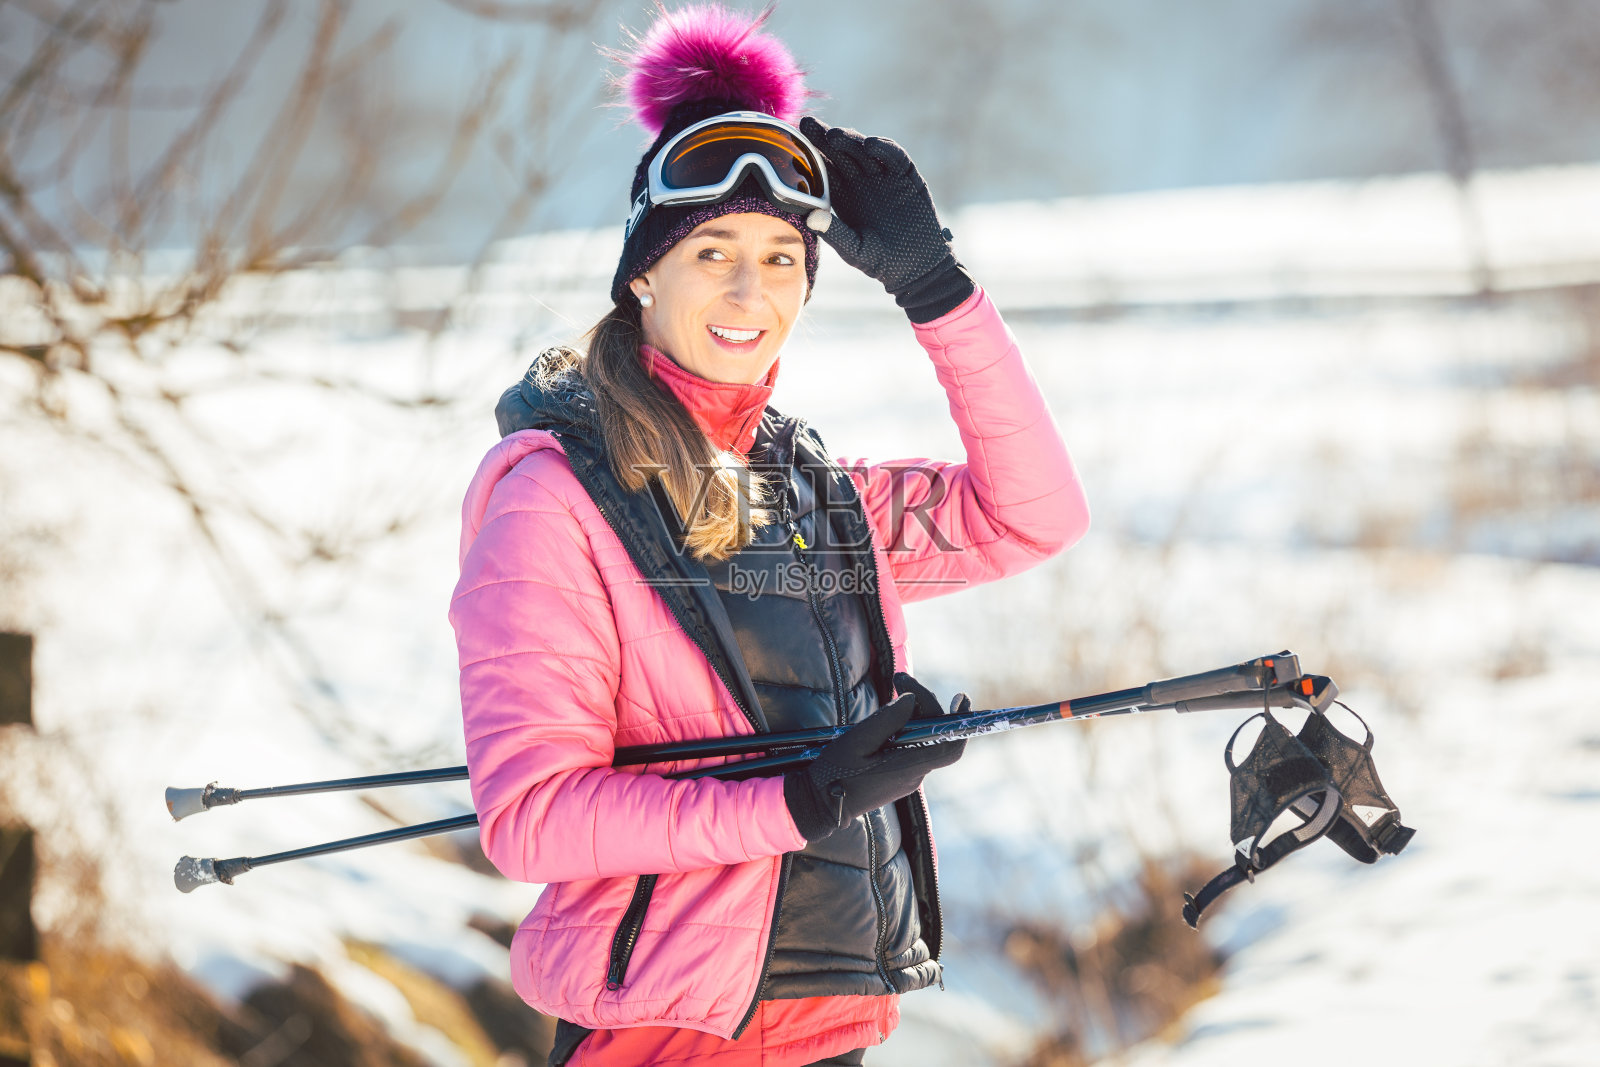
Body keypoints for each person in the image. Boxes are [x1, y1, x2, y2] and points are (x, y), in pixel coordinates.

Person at [448, 6, 1090, 1065]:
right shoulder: (552, 499)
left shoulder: (812, 495)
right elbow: (534, 818)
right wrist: (797, 800)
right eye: (712, 250)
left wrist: (934, 288)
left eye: (782, 257)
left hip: (832, 1020)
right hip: (668, 1036)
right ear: (641, 274)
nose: (751, 291)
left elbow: (1032, 513)